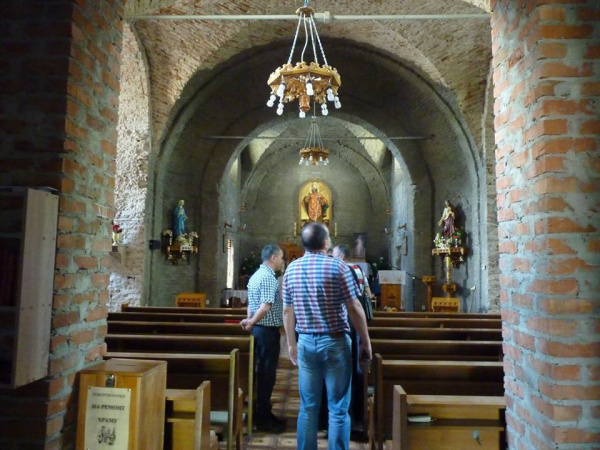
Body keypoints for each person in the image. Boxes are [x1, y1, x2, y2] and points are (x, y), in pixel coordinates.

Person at [282, 223, 372, 450]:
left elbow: (287, 311)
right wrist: (365, 342)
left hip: (305, 342)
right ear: (325, 242)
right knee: (338, 408)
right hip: (335, 342)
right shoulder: (338, 266)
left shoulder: (291, 269)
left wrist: (291, 344)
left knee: (308, 407)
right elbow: (354, 306)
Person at [240, 243, 286, 432]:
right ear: (273, 258)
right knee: (267, 375)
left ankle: (263, 412)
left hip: (260, 329)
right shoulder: (268, 277)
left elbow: (252, 304)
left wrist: (250, 319)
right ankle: (263, 418)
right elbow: (265, 306)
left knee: (263, 373)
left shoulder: (256, 275)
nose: (282, 261)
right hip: (266, 331)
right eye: (281, 257)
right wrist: (251, 322)